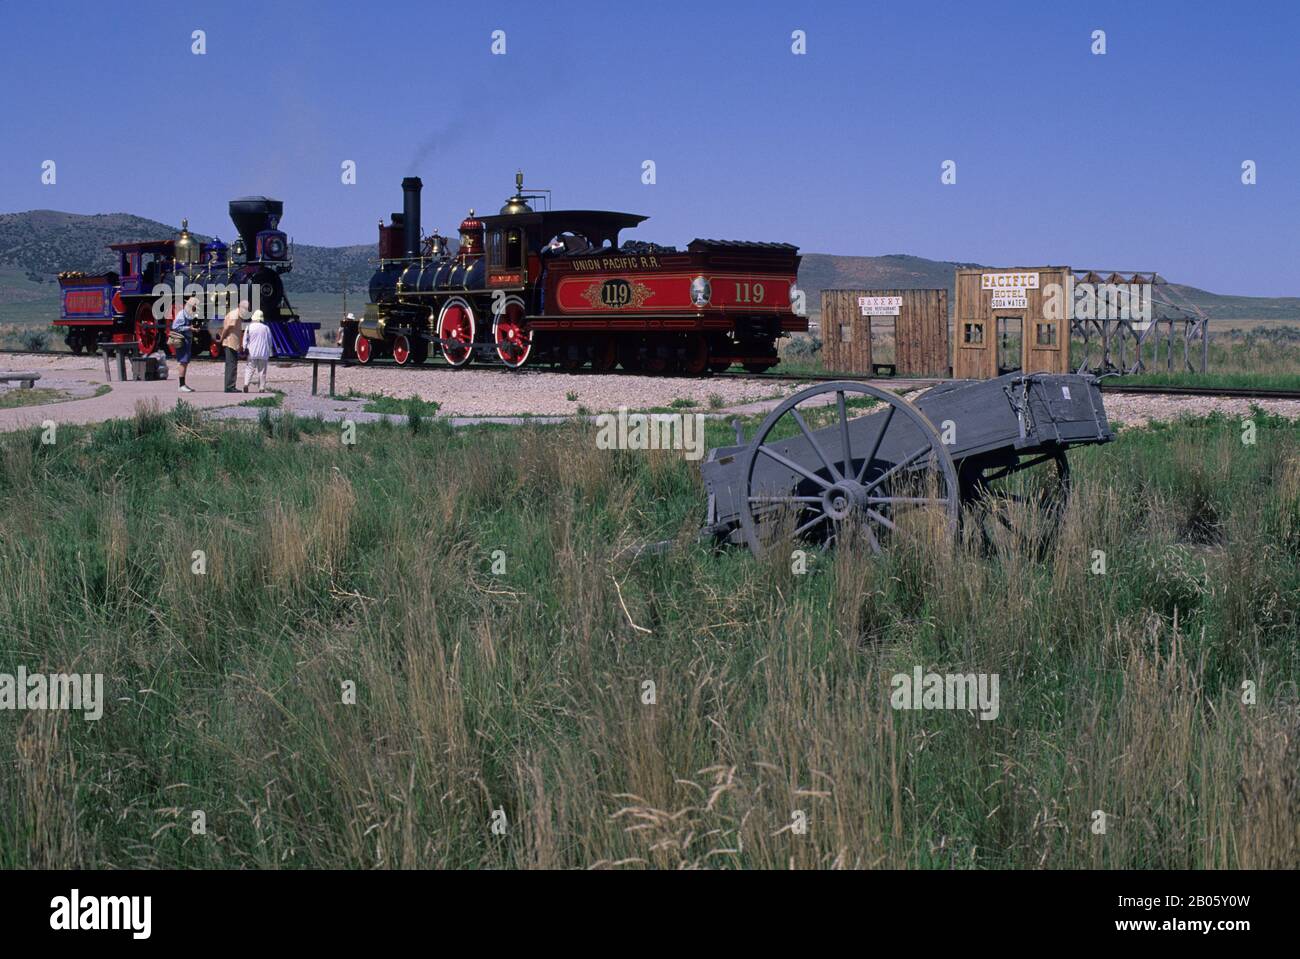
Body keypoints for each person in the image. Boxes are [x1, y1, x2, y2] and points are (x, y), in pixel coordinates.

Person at [172, 296, 199, 392]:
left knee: (185, 362)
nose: (195, 309)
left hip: (187, 339)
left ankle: (183, 384)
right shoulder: (181, 315)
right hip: (182, 340)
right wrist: (189, 328)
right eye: (194, 307)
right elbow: (175, 327)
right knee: (183, 362)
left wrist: (193, 329)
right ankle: (181, 385)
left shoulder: (188, 315)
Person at [220, 299, 248, 393]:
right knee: (231, 365)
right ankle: (229, 387)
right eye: (246, 309)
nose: (247, 311)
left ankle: (230, 385)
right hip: (230, 343)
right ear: (241, 307)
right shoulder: (234, 316)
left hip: (233, 343)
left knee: (232, 364)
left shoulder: (238, 315)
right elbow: (227, 328)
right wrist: (222, 338)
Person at [242, 309, 273, 393]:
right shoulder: (266, 328)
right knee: (262, 371)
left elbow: (245, 340)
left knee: (250, 369)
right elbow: (270, 341)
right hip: (263, 353)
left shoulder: (249, 327)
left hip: (252, 352)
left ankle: (246, 384)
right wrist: (270, 351)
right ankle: (261, 388)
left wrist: (244, 348)